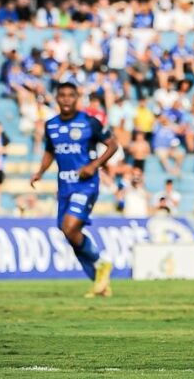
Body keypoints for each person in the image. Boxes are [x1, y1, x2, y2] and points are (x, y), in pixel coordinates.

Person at [30, 82, 118, 298]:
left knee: (70, 227)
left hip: (86, 185)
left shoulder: (89, 122)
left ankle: (101, 263)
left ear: (77, 98)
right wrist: (40, 171)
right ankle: (100, 280)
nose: (67, 99)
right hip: (64, 186)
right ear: (57, 98)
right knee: (68, 232)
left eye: (71, 95)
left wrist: (94, 165)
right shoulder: (51, 125)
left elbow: (113, 144)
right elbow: (50, 151)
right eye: (62, 95)